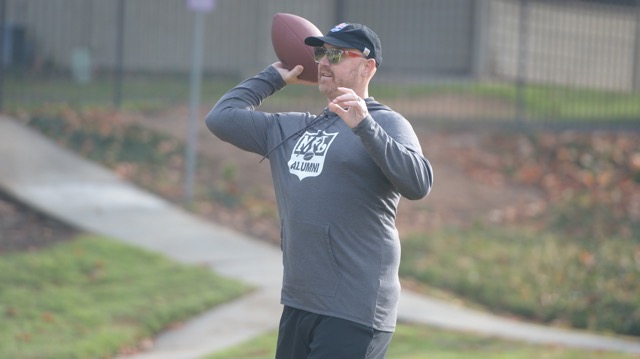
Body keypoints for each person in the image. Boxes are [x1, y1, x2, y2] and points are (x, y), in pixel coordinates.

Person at [205, 21, 433, 359]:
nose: (323, 62)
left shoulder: (386, 123)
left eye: (336, 54)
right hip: (300, 302)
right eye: (320, 52)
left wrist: (365, 126)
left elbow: (418, 184)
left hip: (354, 309)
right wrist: (273, 76)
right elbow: (221, 117)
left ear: (368, 67)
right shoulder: (291, 127)